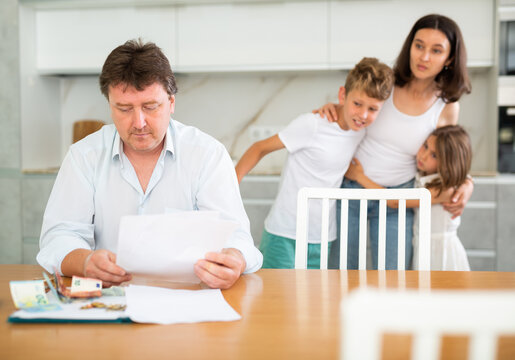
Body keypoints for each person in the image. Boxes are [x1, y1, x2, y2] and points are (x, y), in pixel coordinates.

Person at [37, 39, 263, 289]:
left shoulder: (207, 155)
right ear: (110, 107)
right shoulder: (84, 156)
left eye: (150, 107)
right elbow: (58, 238)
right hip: (107, 302)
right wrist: (86, 262)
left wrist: (234, 260)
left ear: (171, 103)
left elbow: (238, 237)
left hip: (189, 301)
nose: (139, 122)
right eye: (124, 108)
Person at [314, 14, 473, 270]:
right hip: (350, 188)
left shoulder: (446, 107)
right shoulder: (387, 84)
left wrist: (467, 182)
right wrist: (334, 107)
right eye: (419, 45)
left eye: (436, 50)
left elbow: (449, 156)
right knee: (341, 272)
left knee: (393, 278)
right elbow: (357, 107)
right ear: (409, 46)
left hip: (399, 197)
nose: (424, 57)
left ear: (450, 58)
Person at [235, 58, 394, 268]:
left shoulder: (360, 132)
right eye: (357, 104)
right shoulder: (312, 124)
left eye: (373, 109)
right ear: (342, 95)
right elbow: (259, 148)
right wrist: (230, 186)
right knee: (274, 299)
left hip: (322, 238)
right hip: (285, 233)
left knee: (312, 300)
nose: (363, 114)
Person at [346, 125, 472, 271]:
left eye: (434, 155)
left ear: (449, 163)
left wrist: (358, 176)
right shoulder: (424, 177)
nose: (423, 156)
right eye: (425, 146)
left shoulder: (444, 190)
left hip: (440, 251)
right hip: (422, 245)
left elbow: (394, 202)